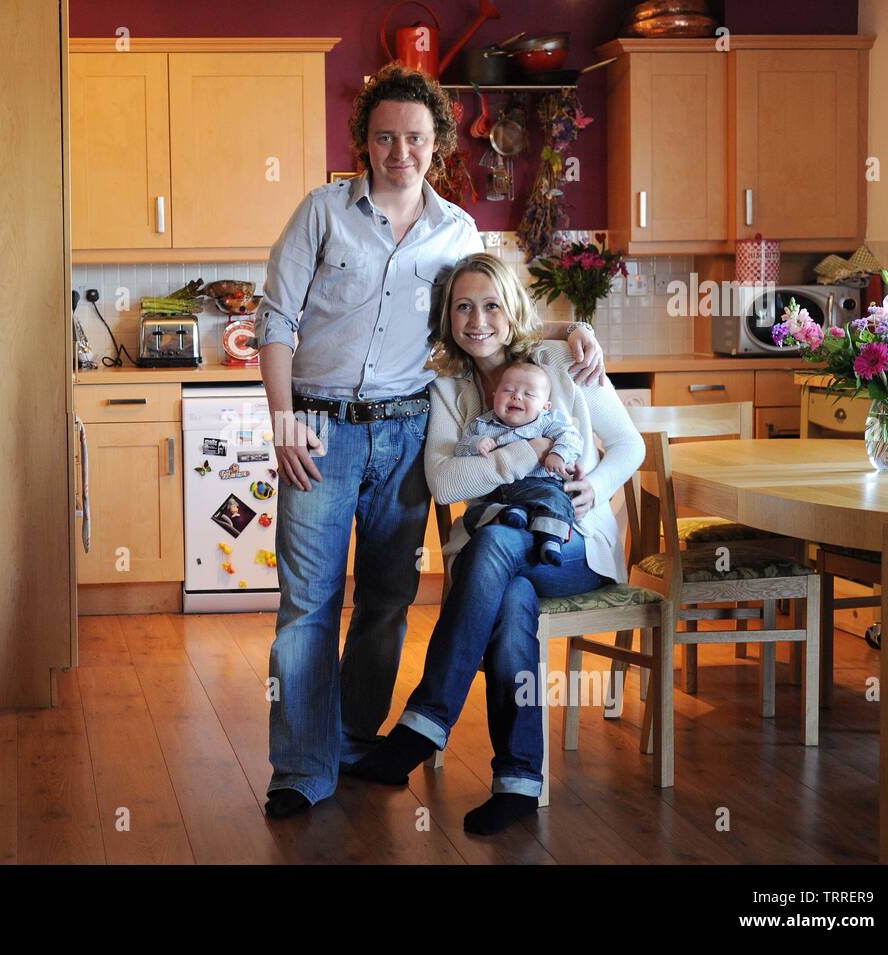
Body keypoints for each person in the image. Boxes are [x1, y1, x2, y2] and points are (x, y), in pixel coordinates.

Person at [255, 64, 606, 819]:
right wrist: (282, 417)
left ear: (437, 142)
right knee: (307, 603)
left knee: (386, 598)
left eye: (414, 137)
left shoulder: (457, 232)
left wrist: (569, 327)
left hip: (410, 428)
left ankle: (352, 740)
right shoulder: (321, 212)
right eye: (384, 136)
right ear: (365, 140)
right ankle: (299, 767)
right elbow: (275, 322)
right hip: (317, 427)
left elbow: (491, 313)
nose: (399, 151)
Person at [344, 251, 644, 837]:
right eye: (463, 307)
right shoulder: (448, 393)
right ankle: (517, 783)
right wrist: (529, 453)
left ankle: (424, 723)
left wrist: (595, 486)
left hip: (574, 544)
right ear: (447, 317)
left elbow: (627, 444)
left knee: (492, 547)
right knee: (508, 592)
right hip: (503, 561)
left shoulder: (560, 361)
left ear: (511, 309)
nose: (477, 320)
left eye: (490, 305)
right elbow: (445, 481)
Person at [454, 359, 583, 565]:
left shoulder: (547, 421)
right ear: (494, 396)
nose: (516, 396)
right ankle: (510, 514)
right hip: (497, 491)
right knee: (472, 514)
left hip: (541, 486)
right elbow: (459, 451)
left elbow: (572, 438)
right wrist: (475, 444)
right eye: (508, 390)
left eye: (529, 394)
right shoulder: (482, 426)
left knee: (557, 500)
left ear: (545, 406)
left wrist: (558, 454)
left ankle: (550, 540)